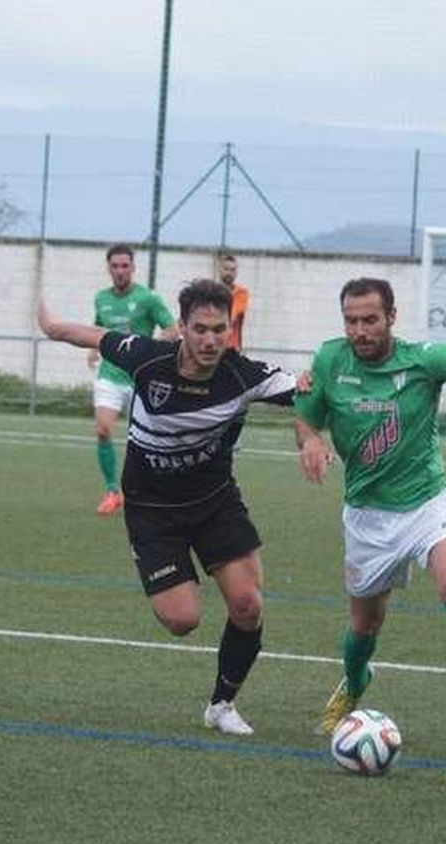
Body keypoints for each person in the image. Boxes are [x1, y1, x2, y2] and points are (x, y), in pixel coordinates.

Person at [39, 278, 298, 736]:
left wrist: (312, 433)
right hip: (152, 510)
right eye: (200, 329)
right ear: (181, 327)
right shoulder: (147, 359)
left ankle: (221, 705)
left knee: (247, 604)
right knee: (183, 620)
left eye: (220, 329)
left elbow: (312, 395)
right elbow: (87, 335)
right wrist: (48, 319)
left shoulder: (244, 375)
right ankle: (168, 567)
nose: (211, 340)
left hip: (215, 502)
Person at [293, 277, 446, 745]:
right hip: (367, 515)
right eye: (351, 320)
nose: (360, 330)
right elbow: (305, 417)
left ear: (391, 317)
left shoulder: (423, 360)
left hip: (427, 501)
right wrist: (310, 441)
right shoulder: (330, 360)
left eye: (370, 320)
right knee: (365, 625)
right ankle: (353, 685)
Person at [87, 243, 179, 516]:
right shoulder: (101, 298)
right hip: (110, 376)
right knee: (103, 430)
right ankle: (114, 491)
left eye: (125, 266)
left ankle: (148, 492)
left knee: (144, 440)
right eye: (115, 266)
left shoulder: (148, 298)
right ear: (108, 268)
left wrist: (148, 352)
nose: (120, 271)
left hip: (140, 378)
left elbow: (172, 329)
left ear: (133, 268)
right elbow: (98, 327)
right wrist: (93, 349)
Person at [216, 251, 250, 352]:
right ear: (219, 270)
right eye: (226, 269)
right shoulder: (211, 291)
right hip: (214, 345)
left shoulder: (241, 293)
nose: (229, 273)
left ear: (236, 272)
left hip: (232, 347)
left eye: (232, 270)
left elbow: (233, 315)